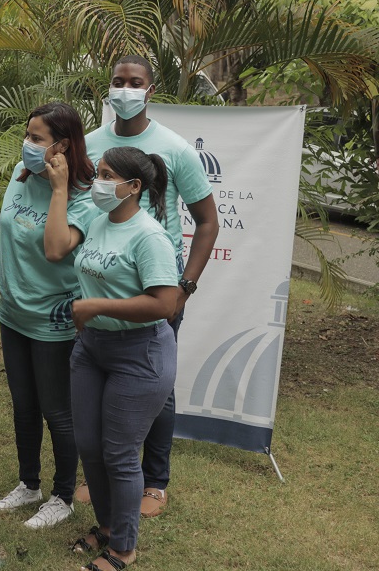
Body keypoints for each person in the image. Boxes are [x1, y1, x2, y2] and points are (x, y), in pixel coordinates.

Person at [77, 55, 219, 518]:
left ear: (149, 90)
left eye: (134, 82)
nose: (124, 89)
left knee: (156, 387)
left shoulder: (175, 148)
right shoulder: (93, 144)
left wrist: (185, 286)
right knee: (102, 376)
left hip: (157, 287)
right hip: (102, 280)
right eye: (117, 81)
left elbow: (207, 222)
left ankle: (155, 481)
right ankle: (105, 472)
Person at [0, 102, 99, 529]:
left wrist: (61, 189)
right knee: (23, 405)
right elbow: (13, 225)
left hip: (53, 321)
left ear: (62, 146)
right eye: (26, 135)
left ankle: (63, 495)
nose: (26, 145)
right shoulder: (20, 173)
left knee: (57, 411)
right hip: (13, 312)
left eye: (36, 138)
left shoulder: (85, 197)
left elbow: (54, 248)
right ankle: (28, 484)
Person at [69, 146, 179, 571]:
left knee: (119, 452)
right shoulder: (98, 222)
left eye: (107, 175)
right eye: (98, 173)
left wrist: (96, 307)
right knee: (90, 447)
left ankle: (124, 548)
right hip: (92, 349)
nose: (98, 182)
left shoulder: (149, 235)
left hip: (140, 353)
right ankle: (110, 525)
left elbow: (165, 304)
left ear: (133, 187)